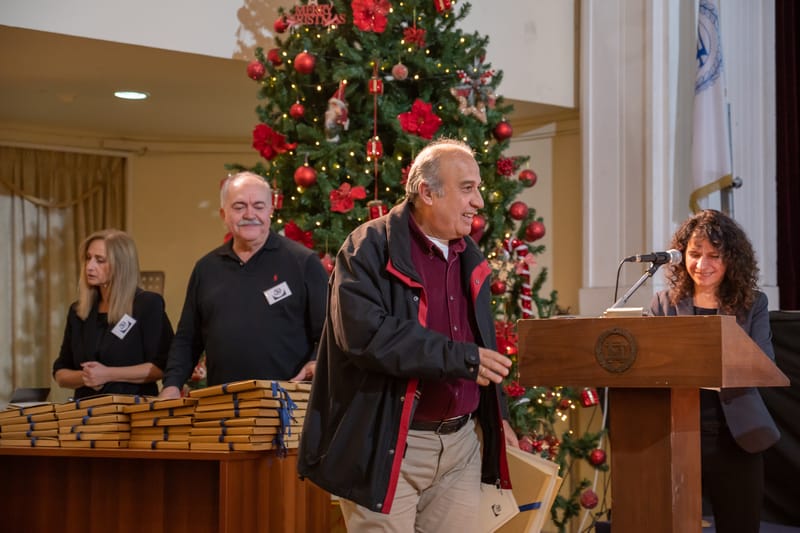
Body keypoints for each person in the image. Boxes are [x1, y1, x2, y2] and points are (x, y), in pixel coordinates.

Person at [298, 139, 519, 532]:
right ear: (427, 192)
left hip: (461, 446)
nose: (479, 202)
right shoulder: (367, 248)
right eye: (467, 188)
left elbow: (481, 345)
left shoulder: (471, 258)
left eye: (478, 188)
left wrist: (497, 416)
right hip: (388, 445)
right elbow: (366, 336)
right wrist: (460, 358)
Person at [649, 209, 779, 533]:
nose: (701, 265)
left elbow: (762, 364)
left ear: (731, 260)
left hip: (736, 438)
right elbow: (650, 366)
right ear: (681, 256)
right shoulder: (662, 305)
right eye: (694, 254)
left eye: (713, 256)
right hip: (676, 435)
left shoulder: (753, 305)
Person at [159, 172, 328, 398]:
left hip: (287, 405)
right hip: (222, 405)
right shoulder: (206, 269)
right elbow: (187, 339)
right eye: (239, 207)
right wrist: (171, 385)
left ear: (271, 210)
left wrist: (316, 362)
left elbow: (330, 331)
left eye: (258, 206)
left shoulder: (303, 263)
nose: (250, 214)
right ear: (223, 214)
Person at [53, 229, 173, 399]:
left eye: (100, 260)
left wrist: (108, 374)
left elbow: (162, 366)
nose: (90, 266)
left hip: (132, 412)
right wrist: (87, 377)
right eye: (88, 258)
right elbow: (60, 372)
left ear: (121, 265)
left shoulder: (147, 304)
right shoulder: (78, 311)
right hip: (86, 415)